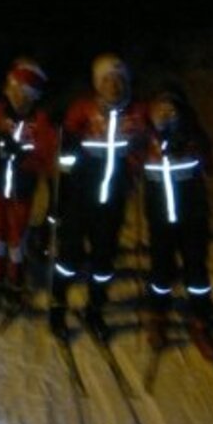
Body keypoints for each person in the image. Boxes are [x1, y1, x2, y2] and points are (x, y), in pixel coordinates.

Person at [51, 53, 149, 340]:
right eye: (107, 80)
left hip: (114, 197)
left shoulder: (136, 112)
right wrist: (63, 184)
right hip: (82, 195)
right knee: (69, 255)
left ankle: (95, 309)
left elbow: (149, 143)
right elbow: (63, 150)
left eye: (118, 80)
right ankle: (58, 306)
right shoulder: (83, 109)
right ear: (97, 84)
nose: (113, 86)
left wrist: (134, 166)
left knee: (104, 258)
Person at [0, 59, 57, 310]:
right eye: (15, 90)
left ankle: (16, 282)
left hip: (22, 189)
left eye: (25, 93)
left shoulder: (39, 119)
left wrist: (24, 157)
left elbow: (47, 155)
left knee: (17, 236)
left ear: (34, 96)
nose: (19, 97)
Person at [141, 87, 213, 358]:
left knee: (196, 270)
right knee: (160, 269)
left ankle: (200, 322)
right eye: (160, 107)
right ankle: (158, 316)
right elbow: (127, 160)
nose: (166, 113)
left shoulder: (193, 134)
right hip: (160, 216)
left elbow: (211, 165)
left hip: (193, 216)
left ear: (181, 110)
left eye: (171, 107)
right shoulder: (144, 136)